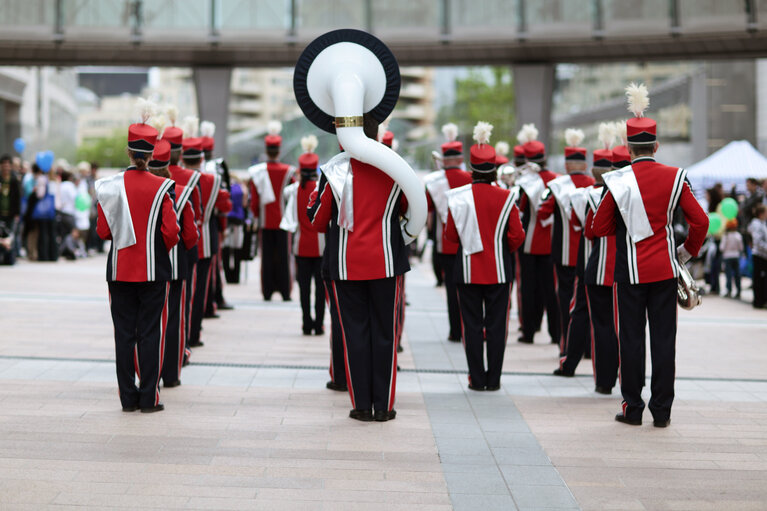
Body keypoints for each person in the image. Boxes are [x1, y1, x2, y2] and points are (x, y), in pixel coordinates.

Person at [592, 83, 708, 427]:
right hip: (664, 271)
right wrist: (685, 253)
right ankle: (662, 411)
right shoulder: (675, 177)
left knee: (631, 341)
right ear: (656, 146)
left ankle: (633, 407)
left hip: (628, 272)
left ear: (628, 148)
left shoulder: (617, 180)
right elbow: (700, 221)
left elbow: (599, 228)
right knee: (663, 343)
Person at [308, 114, 408, 422]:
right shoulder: (395, 167)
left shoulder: (332, 170)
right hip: (386, 262)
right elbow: (409, 209)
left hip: (346, 264)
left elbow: (316, 220)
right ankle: (385, 406)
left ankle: (362, 405)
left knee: (354, 335)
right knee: (385, 335)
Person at [95, 101, 180, 413]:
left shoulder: (111, 186)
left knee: (123, 336)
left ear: (129, 152)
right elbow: (172, 233)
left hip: (118, 271)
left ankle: (127, 399)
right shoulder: (163, 187)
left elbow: (103, 231)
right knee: (149, 334)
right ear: (152, 152)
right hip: (154, 271)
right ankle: (149, 398)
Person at [444, 122, 525, 391]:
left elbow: (451, 237)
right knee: (497, 326)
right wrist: (500, 250)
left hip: (467, 272)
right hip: (499, 271)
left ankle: (477, 380)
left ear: (471, 169)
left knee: (472, 327)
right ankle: (494, 379)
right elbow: (517, 236)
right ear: (494, 170)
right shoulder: (507, 197)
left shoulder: (458, 198)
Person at [554, 123, 613, 380]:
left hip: (591, 260)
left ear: (593, 170)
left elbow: (583, 227)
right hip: (622, 265)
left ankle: (573, 364)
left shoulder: (582, 195)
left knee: (580, 313)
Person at [539, 128, 595, 357]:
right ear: (584, 163)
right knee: (590, 304)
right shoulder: (595, 183)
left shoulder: (557, 185)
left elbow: (543, 213)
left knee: (566, 303)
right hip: (589, 254)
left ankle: (567, 347)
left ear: (567, 163)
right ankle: (588, 349)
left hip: (564, 255)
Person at [148, 137, 199, 388]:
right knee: (175, 322)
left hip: (144, 266)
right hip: (175, 265)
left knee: (146, 324)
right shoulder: (182, 191)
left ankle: (149, 375)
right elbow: (189, 237)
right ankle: (171, 373)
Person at [424, 123, 472, 342]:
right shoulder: (470, 178)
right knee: (469, 290)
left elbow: (429, 212)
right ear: (460, 159)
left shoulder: (434, 182)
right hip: (469, 242)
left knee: (452, 291)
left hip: (445, 243)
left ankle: (455, 331)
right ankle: (469, 328)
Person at [183, 126, 230, 348]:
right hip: (205, 239)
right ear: (201, 158)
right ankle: (194, 333)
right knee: (199, 291)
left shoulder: (173, 176)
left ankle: (182, 335)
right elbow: (226, 204)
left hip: (180, 242)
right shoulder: (211, 180)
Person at [515, 124, 561, 345]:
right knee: (551, 289)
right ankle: (556, 332)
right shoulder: (557, 178)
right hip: (552, 242)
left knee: (529, 289)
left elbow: (521, 209)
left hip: (531, 243)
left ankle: (530, 331)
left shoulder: (526, 181)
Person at [281, 134, 325, 335]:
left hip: (301, 247)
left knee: (305, 289)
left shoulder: (292, 191)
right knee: (321, 288)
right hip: (321, 247)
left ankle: (306, 323)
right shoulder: (323, 190)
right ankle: (319, 324)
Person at [249, 121, 295, 302]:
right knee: (284, 258)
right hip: (283, 222)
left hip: (265, 222)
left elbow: (254, 201)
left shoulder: (257, 171)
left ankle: (267, 291)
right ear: (279, 150)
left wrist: (256, 216)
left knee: (266, 259)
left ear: (267, 150)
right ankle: (285, 292)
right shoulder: (289, 172)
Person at [0, 154, 21, 264]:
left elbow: (18, 198)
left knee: (11, 236)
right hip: (1, 212)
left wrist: (17, 213)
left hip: (11, 213)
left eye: (8, 165)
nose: (6, 168)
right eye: (4, 165)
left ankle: (10, 258)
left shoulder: (14, 180)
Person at [748, 204, 767, 308]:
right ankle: (758, 301)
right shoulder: (756, 224)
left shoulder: (762, 223)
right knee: (759, 279)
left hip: (763, 255)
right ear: (761, 214)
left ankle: (762, 299)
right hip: (759, 255)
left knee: (761, 279)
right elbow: (758, 241)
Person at [721, 219, 743, 299]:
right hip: (736, 256)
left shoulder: (726, 236)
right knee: (737, 274)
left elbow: (721, 247)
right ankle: (738, 291)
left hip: (727, 257)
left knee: (728, 275)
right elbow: (741, 248)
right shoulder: (738, 235)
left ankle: (729, 290)